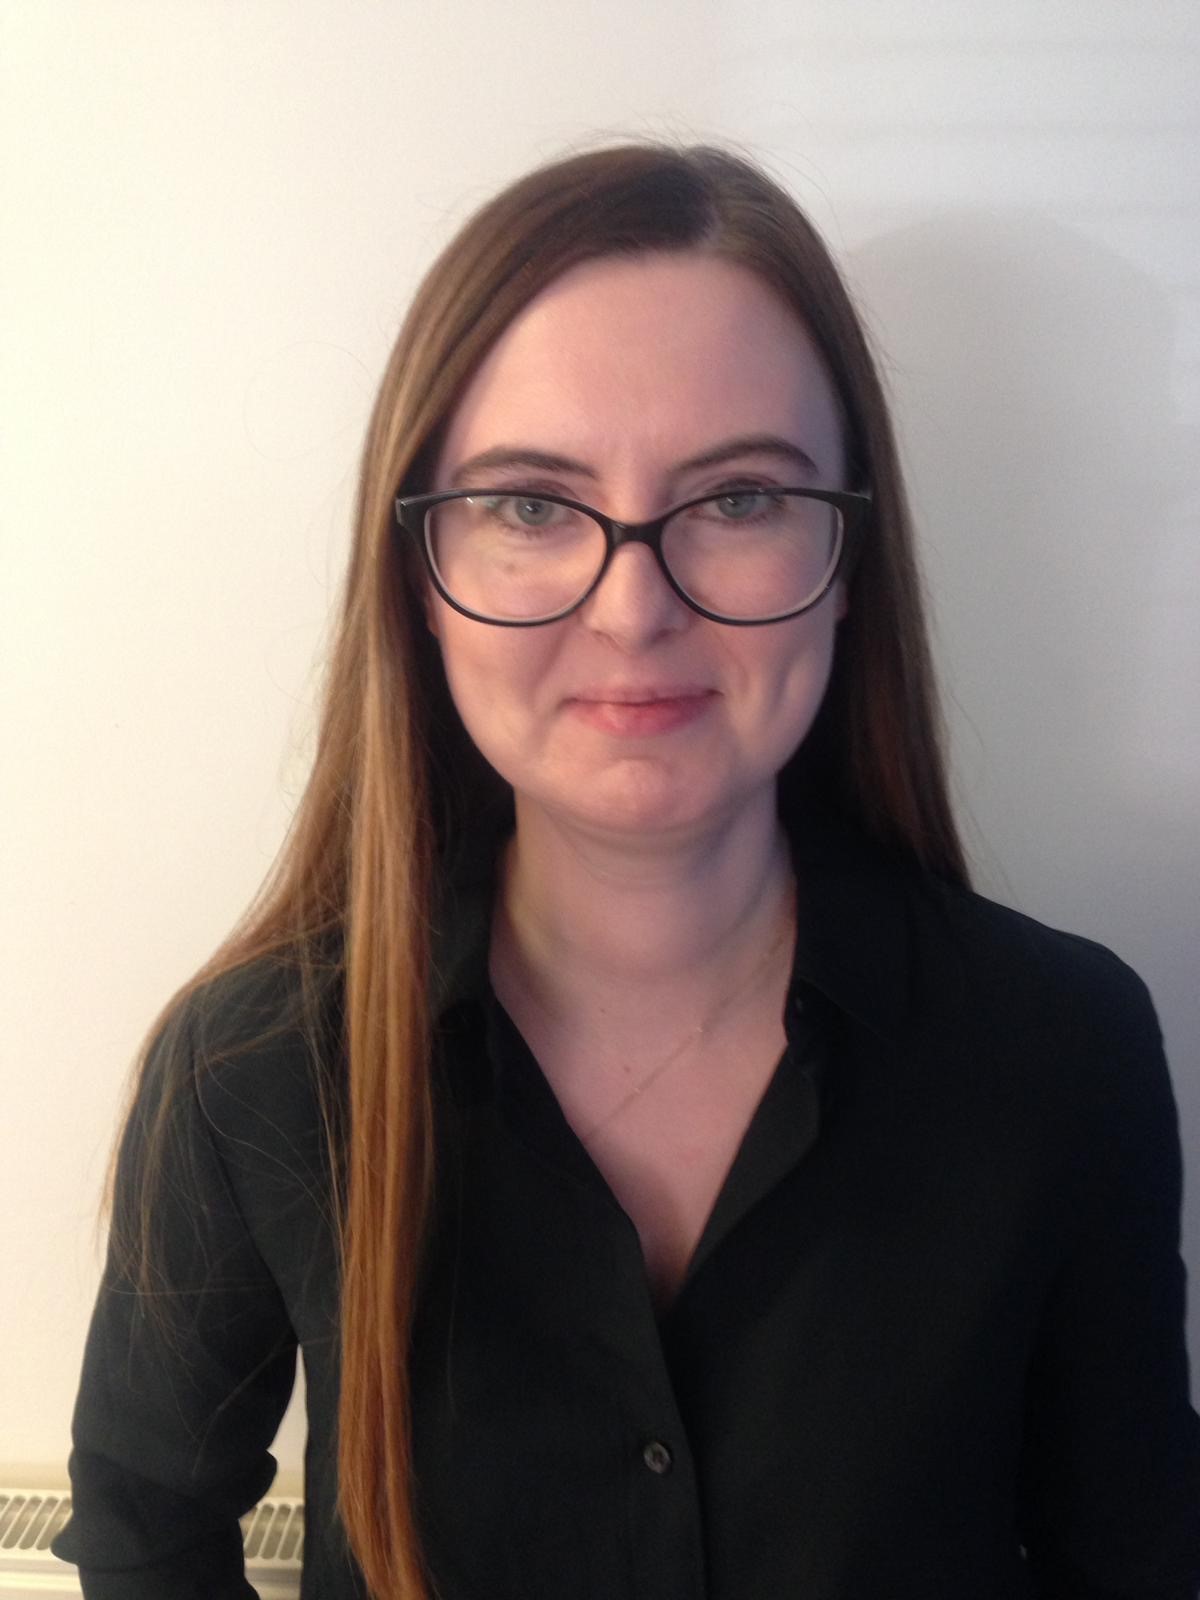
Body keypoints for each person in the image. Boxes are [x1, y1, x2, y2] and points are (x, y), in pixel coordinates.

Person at [53, 142, 1200, 1600]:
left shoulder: (1062, 1051)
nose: (634, 608)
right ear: (419, 577)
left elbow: (1133, 1559)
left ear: (849, 558)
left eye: (739, 498)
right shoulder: (254, 1072)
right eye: (532, 505)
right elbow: (147, 1537)